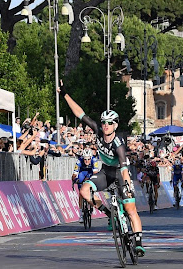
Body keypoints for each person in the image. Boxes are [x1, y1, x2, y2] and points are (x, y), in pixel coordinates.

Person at [58, 83, 145, 257]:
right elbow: (80, 113)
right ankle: (108, 214)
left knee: (130, 209)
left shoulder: (119, 145)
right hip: (105, 173)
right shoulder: (98, 131)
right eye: (104, 122)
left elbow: (125, 169)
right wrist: (65, 94)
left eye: (109, 123)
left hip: (120, 175)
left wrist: (127, 185)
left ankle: (138, 242)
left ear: (115, 125)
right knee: (84, 191)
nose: (105, 125)